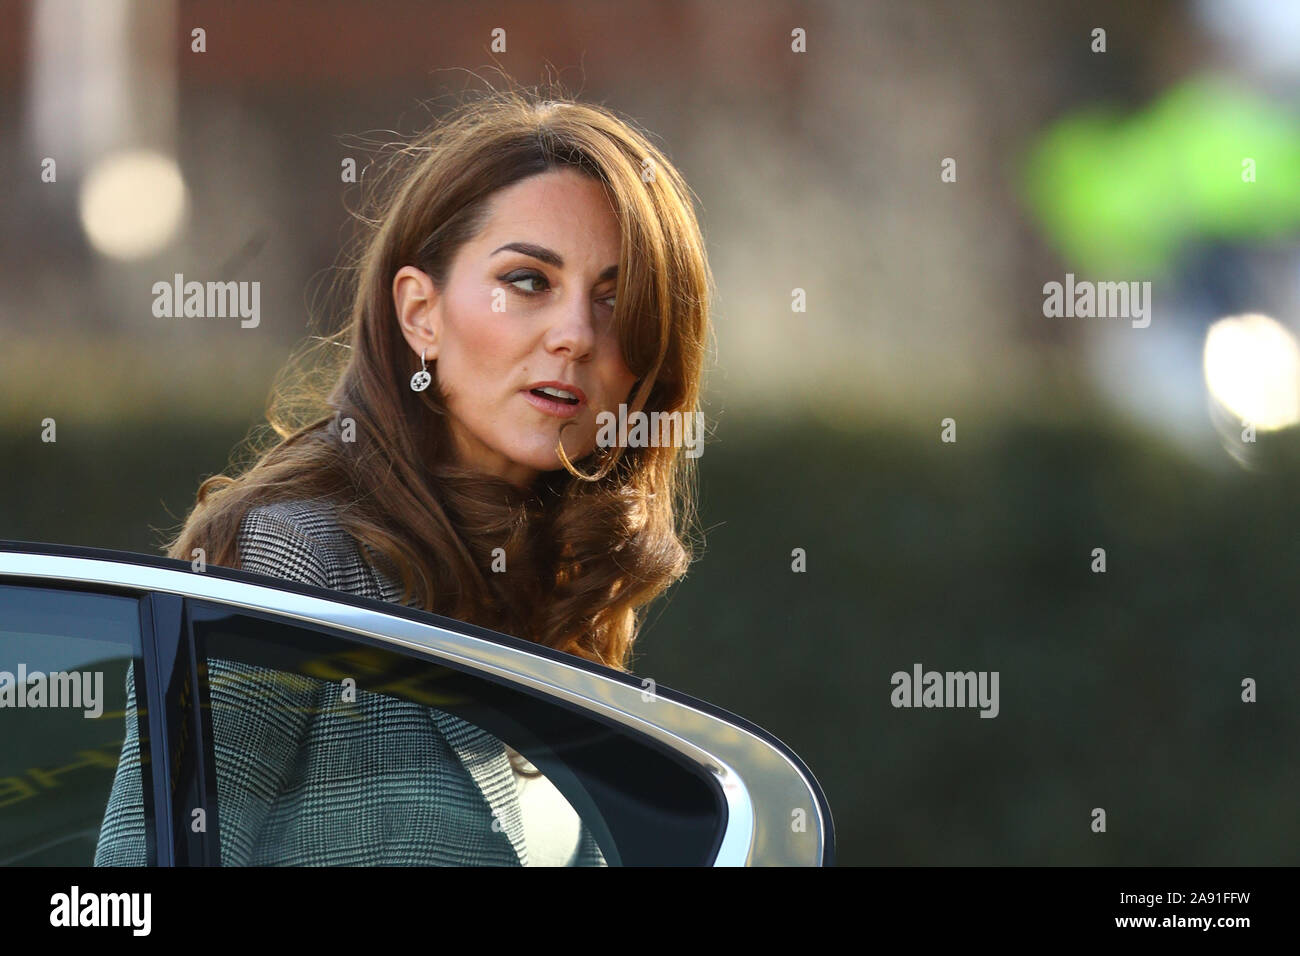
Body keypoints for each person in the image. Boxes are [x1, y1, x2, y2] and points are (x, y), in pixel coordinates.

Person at [93, 84, 713, 866]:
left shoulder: (567, 600)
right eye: (528, 281)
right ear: (421, 313)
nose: (575, 335)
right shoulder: (288, 561)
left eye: (617, 301)